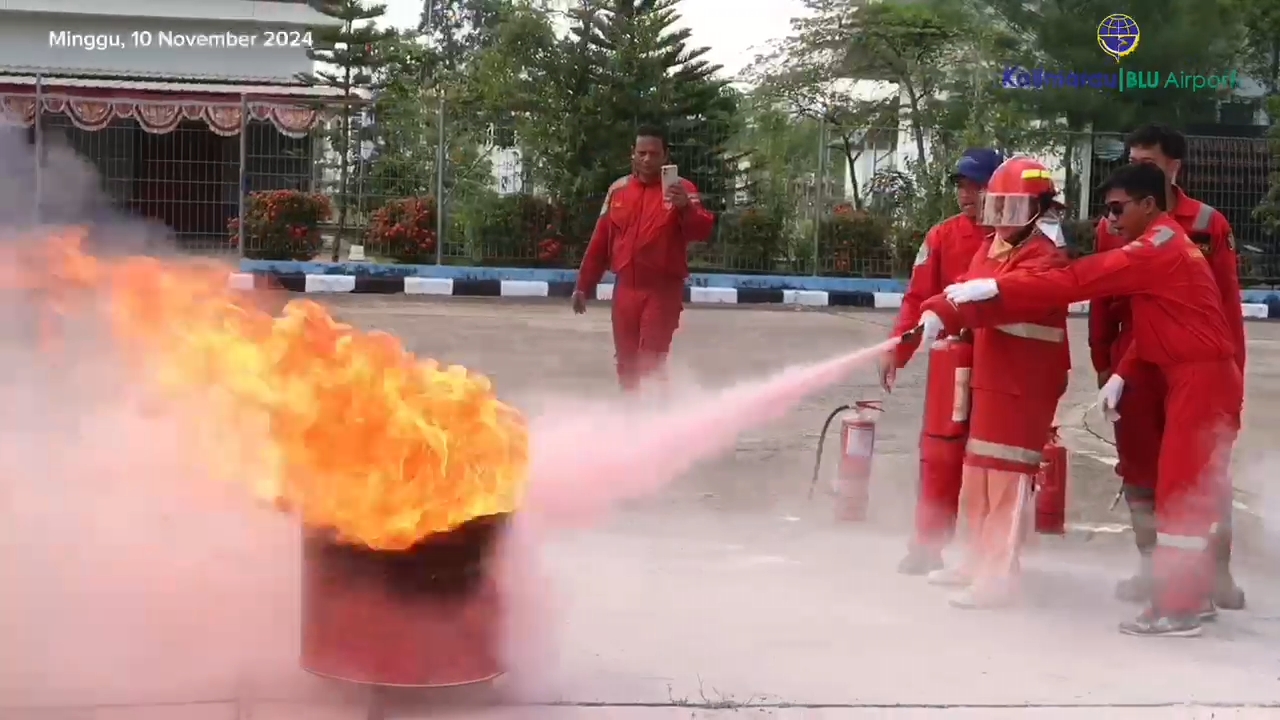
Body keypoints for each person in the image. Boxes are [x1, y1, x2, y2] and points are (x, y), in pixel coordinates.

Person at [944, 162, 1243, 637]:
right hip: (1186, 374)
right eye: (1106, 210)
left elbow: (1079, 280)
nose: (1111, 220)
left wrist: (1001, 286)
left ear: (1149, 204)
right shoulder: (1161, 246)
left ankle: (1179, 608)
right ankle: (1193, 595)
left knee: (1181, 491)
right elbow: (1166, 322)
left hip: (1201, 381)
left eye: (1118, 209)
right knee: (1180, 489)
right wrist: (1123, 373)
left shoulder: (1156, 248)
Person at [1088, 124, 1246, 610]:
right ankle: (1151, 569)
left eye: (1149, 163)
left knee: (1204, 469)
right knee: (1139, 470)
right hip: (1134, 366)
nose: (1137, 169)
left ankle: (1213, 571)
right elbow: (1102, 303)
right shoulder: (1114, 222)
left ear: (1175, 167)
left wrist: (1232, 379)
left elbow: (1226, 305)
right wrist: (1104, 367)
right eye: (1132, 159)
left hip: (1192, 366)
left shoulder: (1206, 224)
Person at [909, 156, 1071, 608]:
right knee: (978, 471)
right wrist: (935, 313)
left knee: (1007, 478)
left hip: (1026, 382)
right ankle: (972, 561)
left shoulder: (1046, 254)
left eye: (1011, 209)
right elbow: (964, 287)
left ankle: (997, 576)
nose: (1001, 218)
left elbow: (1015, 294)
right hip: (992, 376)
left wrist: (991, 294)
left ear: (1038, 209)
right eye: (997, 207)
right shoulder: (994, 246)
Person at [884, 148, 1004, 576]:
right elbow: (918, 298)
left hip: (1001, 364)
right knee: (939, 451)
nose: (966, 194)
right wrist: (898, 349)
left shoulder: (1019, 239)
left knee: (995, 461)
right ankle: (927, 544)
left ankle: (989, 552)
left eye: (977, 185)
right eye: (961, 185)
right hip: (951, 362)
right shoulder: (942, 237)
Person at [572, 125, 715, 390]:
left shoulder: (681, 189)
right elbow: (600, 241)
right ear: (633, 155)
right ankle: (630, 420)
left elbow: (702, 230)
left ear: (666, 155)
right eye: (642, 153)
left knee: (651, 360)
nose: (647, 159)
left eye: (654, 153)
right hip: (626, 289)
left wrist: (685, 208)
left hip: (662, 290)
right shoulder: (619, 190)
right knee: (626, 363)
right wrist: (583, 285)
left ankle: (655, 420)